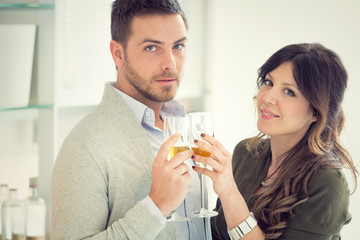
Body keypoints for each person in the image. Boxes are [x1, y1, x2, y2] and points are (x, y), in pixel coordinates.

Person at [51, 0, 209, 239]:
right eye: (152, 48)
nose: (171, 63)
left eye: (178, 46)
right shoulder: (85, 145)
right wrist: (155, 207)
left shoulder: (184, 128)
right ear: (118, 54)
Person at [192, 43, 358, 239]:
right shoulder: (246, 153)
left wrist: (229, 193)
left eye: (289, 92)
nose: (268, 97)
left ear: (316, 111)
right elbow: (217, 233)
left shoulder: (326, 183)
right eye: (269, 83)